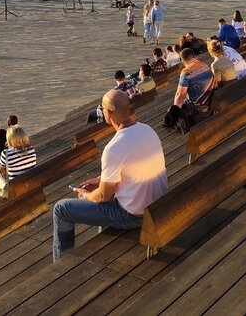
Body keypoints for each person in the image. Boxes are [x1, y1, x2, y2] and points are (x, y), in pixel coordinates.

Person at [53, 89, 167, 261]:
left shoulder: (114, 148)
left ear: (109, 113)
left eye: (102, 108)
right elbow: (135, 168)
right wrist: (101, 180)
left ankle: (61, 262)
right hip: (157, 206)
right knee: (104, 198)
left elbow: (103, 197)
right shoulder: (147, 130)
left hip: (132, 216)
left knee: (61, 209)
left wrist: (85, 195)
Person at [0, 125, 37, 198]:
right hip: (32, 184)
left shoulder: (6, 153)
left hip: (16, 189)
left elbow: (0, 172)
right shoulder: (31, 149)